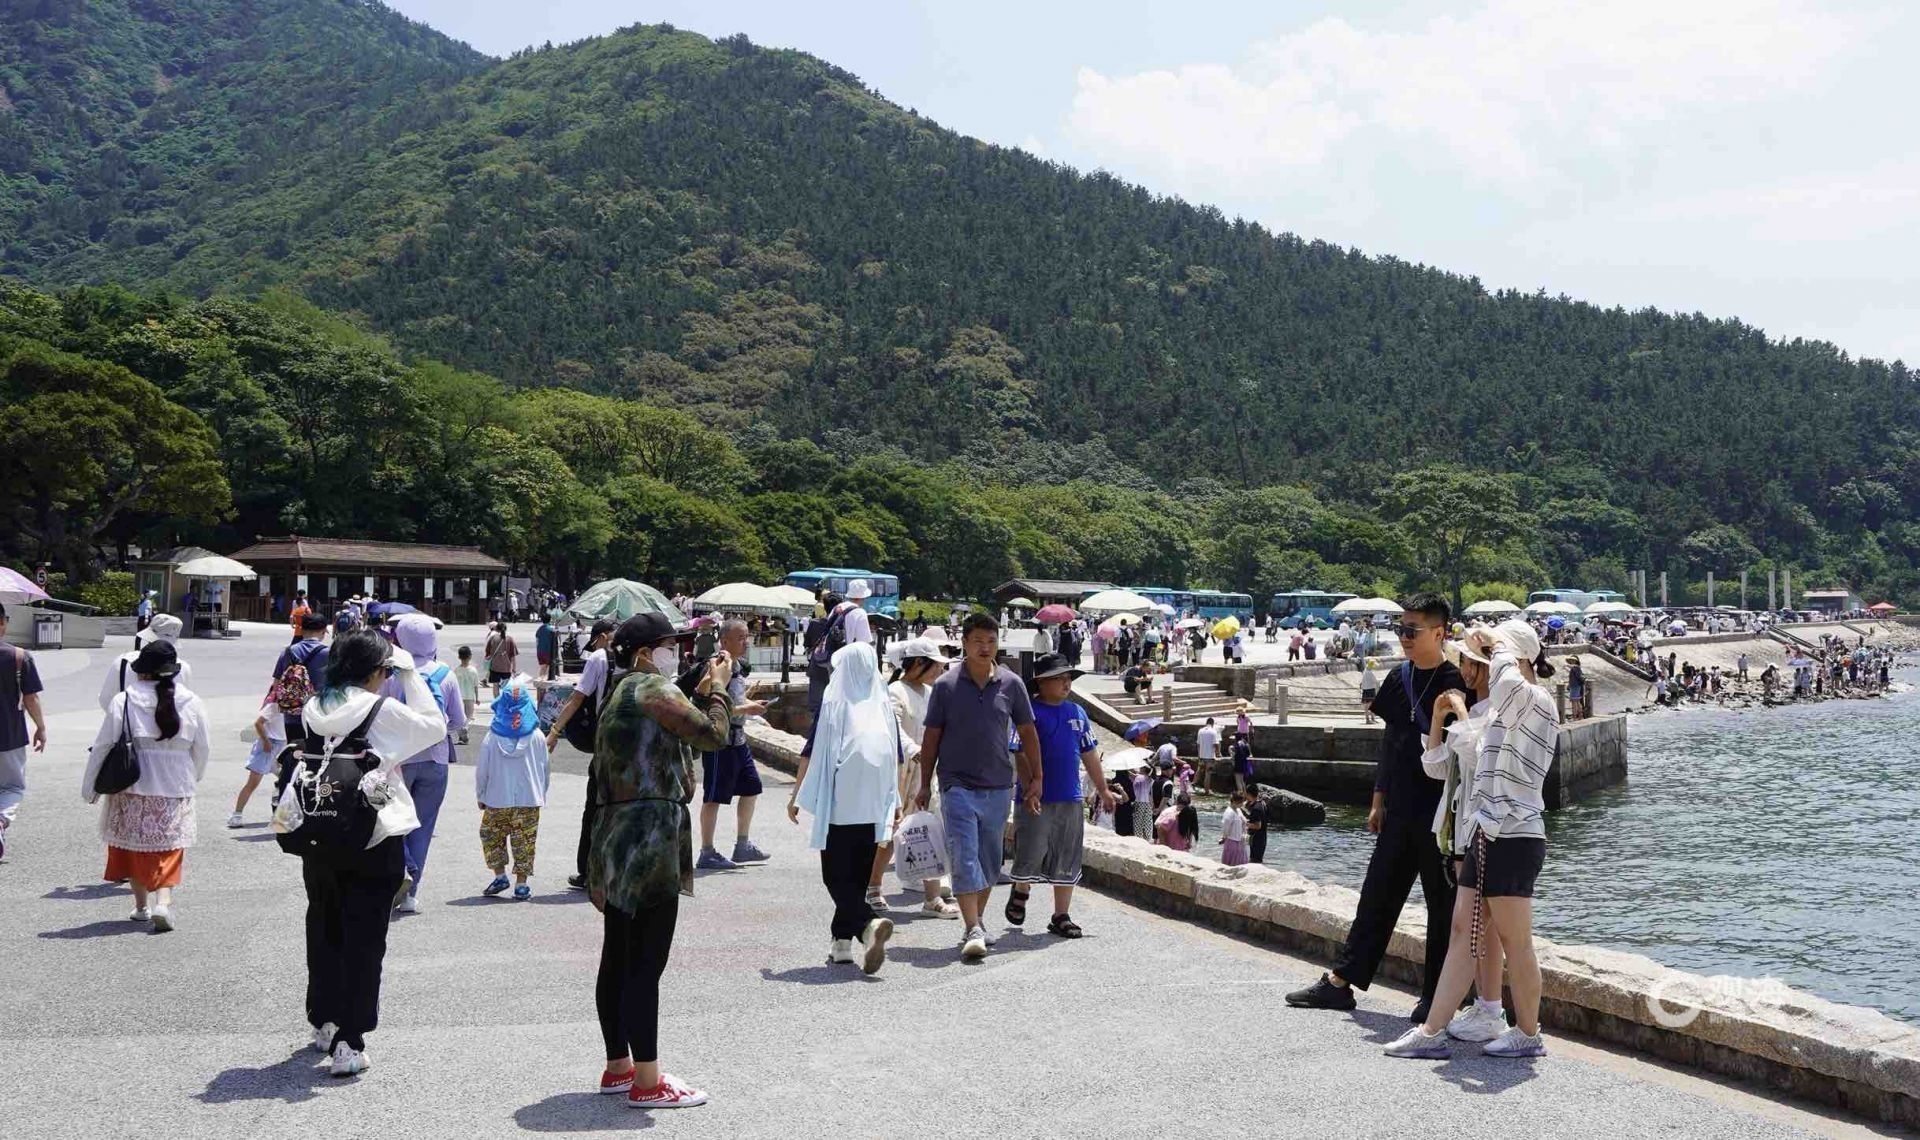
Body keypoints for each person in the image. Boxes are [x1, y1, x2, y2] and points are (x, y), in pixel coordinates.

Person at [1287, 593, 1466, 1023]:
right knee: (1376, 896)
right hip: (1400, 810)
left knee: (1442, 907)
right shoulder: (1397, 678)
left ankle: (1435, 998)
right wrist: (1377, 800)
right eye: (1400, 629)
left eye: (1412, 630)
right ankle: (1341, 982)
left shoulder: (1456, 683)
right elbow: (1389, 744)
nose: (1403, 637)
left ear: (1439, 632)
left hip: (1442, 815)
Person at [1389, 621, 1557, 1059]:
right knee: (1464, 930)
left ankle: (1528, 1032)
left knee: (1516, 941)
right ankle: (1431, 1032)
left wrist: (1497, 643)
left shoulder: (1536, 701)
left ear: (1515, 658)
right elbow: (1453, 763)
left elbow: (1507, 688)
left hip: (1515, 833)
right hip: (1488, 830)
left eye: (1493, 654)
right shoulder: (1503, 708)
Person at [285, 629, 449, 1077]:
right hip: (373, 833)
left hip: (319, 830)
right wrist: (411, 673)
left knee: (324, 923)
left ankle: (325, 1018)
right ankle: (350, 1041)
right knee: (365, 936)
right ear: (380, 671)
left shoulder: (315, 707)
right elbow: (435, 726)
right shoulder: (382, 709)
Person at [588, 612, 733, 1110]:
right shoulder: (650, 686)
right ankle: (649, 1082)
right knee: (646, 960)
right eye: (673, 646)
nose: (679, 654)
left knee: (619, 956)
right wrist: (719, 689)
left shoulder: (619, 694)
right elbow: (712, 735)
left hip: (616, 834)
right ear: (647, 653)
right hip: (650, 838)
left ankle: (619, 1067)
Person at [913, 612, 1041, 961]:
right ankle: (972, 928)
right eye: (977, 641)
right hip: (956, 783)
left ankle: (978, 921)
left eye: (991, 641)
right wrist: (925, 783)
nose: (985, 647)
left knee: (988, 860)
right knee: (965, 855)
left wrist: (1037, 780)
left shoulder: (1012, 684)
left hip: (999, 784)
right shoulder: (946, 686)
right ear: (965, 644)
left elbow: (1028, 732)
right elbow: (932, 737)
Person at [81, 640, 210, 932]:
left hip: (132, 784)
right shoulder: (192, 701)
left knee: (134, 849)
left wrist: (91, 787)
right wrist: (194, 776)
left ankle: (141, 907)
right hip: (175, 784)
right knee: (170, 846)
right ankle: (163, 902)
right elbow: (202, 748)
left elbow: (103, 746)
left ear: (142, 671)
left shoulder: (124, 700)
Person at [788, 639, 900, 973]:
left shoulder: (835, 704)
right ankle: (841, 943)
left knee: (836, 877)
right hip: (873, 805)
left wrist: (799, 795)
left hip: (839, 807)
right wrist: (893, 801)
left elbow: (816, 751)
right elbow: (895, 759)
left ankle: (867, 924)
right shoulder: (883, 708)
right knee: (857, 877)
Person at [1004, 654, 1113, 938]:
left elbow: (1089, 753)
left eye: (1069, 679)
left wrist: (1102, 788)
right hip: (1035, 795)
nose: (1066, 684)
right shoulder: (1029, 712)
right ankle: (1021, 888)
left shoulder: (1077, 712)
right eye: (1060, 679)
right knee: (1031, 848)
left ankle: (1061, 915)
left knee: (1068, 853)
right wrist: (1030, 787)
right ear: (1041, 682)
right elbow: (1020, 753)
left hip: (1070, 795)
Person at [384, 614, 467, 914]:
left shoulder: (391, 673)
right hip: (436, 758)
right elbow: (458, 721)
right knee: (423, 826)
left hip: (399, 760)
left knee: (394, 822)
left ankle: (398, 873)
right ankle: (411, 893)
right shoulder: (446, 674)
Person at [879, 638, 959, 917]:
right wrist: (914, 751)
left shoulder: (930, 692)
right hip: (902, 770)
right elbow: (894, 728)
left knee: (931, 831)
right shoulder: (895, 691)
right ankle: (872, 887)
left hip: (927, 771)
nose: (940, 670)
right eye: (935, 665)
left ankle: (932, 897)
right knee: (891, 833)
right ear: (919, 664)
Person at [546, 618, 620, 892]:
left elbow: (577, 698)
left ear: (601, 637)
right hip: (633, 742)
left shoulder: (600, 658)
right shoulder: (641, 656)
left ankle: (588, 871)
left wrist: (554, 731)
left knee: (595, 808)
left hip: (605, 741)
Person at [695, 620, 771, 870]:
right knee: (714, 796)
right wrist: (745, 708)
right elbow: (708, 701)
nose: (746, 642)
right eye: (740, 638)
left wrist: (749, 702)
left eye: (747, 637)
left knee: (751, 788)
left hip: (738, 739)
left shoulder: (737, 666)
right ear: (724, 640)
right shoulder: (719, 665)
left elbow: (732, 700)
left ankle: (743, 845)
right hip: (720, 741)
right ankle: (707, 851)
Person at [474, 674, 550, 900]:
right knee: (525, 840)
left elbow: (483, 770)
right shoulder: (537, 736)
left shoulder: (492, 736)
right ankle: (522, 885)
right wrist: (541, 793)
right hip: (529, 799)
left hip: (497, 798)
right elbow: (545, 769)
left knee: (491, 835)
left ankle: (500, 876)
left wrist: (481, 794)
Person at [0, 603, 47, 862]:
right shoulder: (19, 656)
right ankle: (1, 821)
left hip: (10, 734)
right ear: (3, 623)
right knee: (12, 786)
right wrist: (40, 727)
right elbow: (31, 698)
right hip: (10, 734)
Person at [100, 613, 195, 711]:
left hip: (128, 724)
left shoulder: (123, 661)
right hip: (169, 725)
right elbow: (184, 705)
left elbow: (106, 700)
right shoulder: (183, 668)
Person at [229, 690, 287, 827]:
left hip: (282, 746)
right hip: (268, 746)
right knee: (253, 783)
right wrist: (266, 741)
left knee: (286, 779)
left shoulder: (294, 706)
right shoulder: (273, 706)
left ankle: (280, 811)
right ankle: (236, 815)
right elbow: (258, 723)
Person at [273, 613, 332, 739]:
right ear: (323, 631)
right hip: (318, 715)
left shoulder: (288, 651)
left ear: (302, 630)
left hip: (292, 713)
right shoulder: (328, 653)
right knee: (316, 755)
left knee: (294, 752)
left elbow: (276, 684)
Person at [453, 646, 481, 745]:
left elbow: (454, 686)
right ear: (470, 656)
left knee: (460, 717)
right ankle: (465, 729)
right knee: (469, 717)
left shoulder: (456, 671)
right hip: (470, 697)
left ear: (459, 657)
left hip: (459, 697)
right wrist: (477, 698)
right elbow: (476, 686)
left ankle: (462, 737)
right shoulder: (473, 671)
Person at [1219, 791, 1250, 866]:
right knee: (1231, 862)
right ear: (1235, 802)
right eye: (1241, 802)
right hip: (1232, 840)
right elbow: (1226, 827)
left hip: (1239, 839)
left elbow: (1243, 819)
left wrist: (1245, 821)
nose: (1243, 804)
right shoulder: (1229, 813)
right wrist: (1224, 837)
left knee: (1240, 861)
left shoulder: (1238, 810)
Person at [485, 621, 517, 686]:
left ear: (496, 629)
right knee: (506, 687)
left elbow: (488, 654)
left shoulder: (493, 638)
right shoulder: (510, 639)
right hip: (506, 668)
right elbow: (513, 656)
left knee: (495, 686)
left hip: (494, 667)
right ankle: (503, 696)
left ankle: (497, 697)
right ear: (505, 629)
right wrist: (514, 669)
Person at [1196, 717, 1220, 791]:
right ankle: (1206, 791)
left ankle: (1193, 784)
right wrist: (1218, 753)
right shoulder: (1213, 731)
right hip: (1210, 756)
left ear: (1206, 723)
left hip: (1202, 755)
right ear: (1212, 723)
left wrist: (1199, 755)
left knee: (1199, 770)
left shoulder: (1200, 731)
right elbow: (1216, 744)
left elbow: (1198, 744)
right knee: (1208, 774)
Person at [1245, 786, 1268, 864]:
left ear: (1248, 794)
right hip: (1262, 838)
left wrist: (1245, 824)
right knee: (1258, 861)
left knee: (1255, 861)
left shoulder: (1256, 808)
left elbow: (1258, 826)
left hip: (1257, 840)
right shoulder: (1262, 803)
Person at [536, 613, 558, 682]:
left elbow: (537, 641)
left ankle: (540, 682)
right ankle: (543, 683)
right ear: (550, 619)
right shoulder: (551, 630)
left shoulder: (539, 629)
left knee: (542, 667)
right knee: (548, 670)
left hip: (540, 651)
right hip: (548, 651)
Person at [1360, 657, 1380, 725]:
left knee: (1367, 706)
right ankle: (1370, 719)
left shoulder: (1365, 672)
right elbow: (1375, 681)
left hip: (1365, 690)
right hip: (1370, 690)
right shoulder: (1370, 673)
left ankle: (1370, 719)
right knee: (1370, 705)